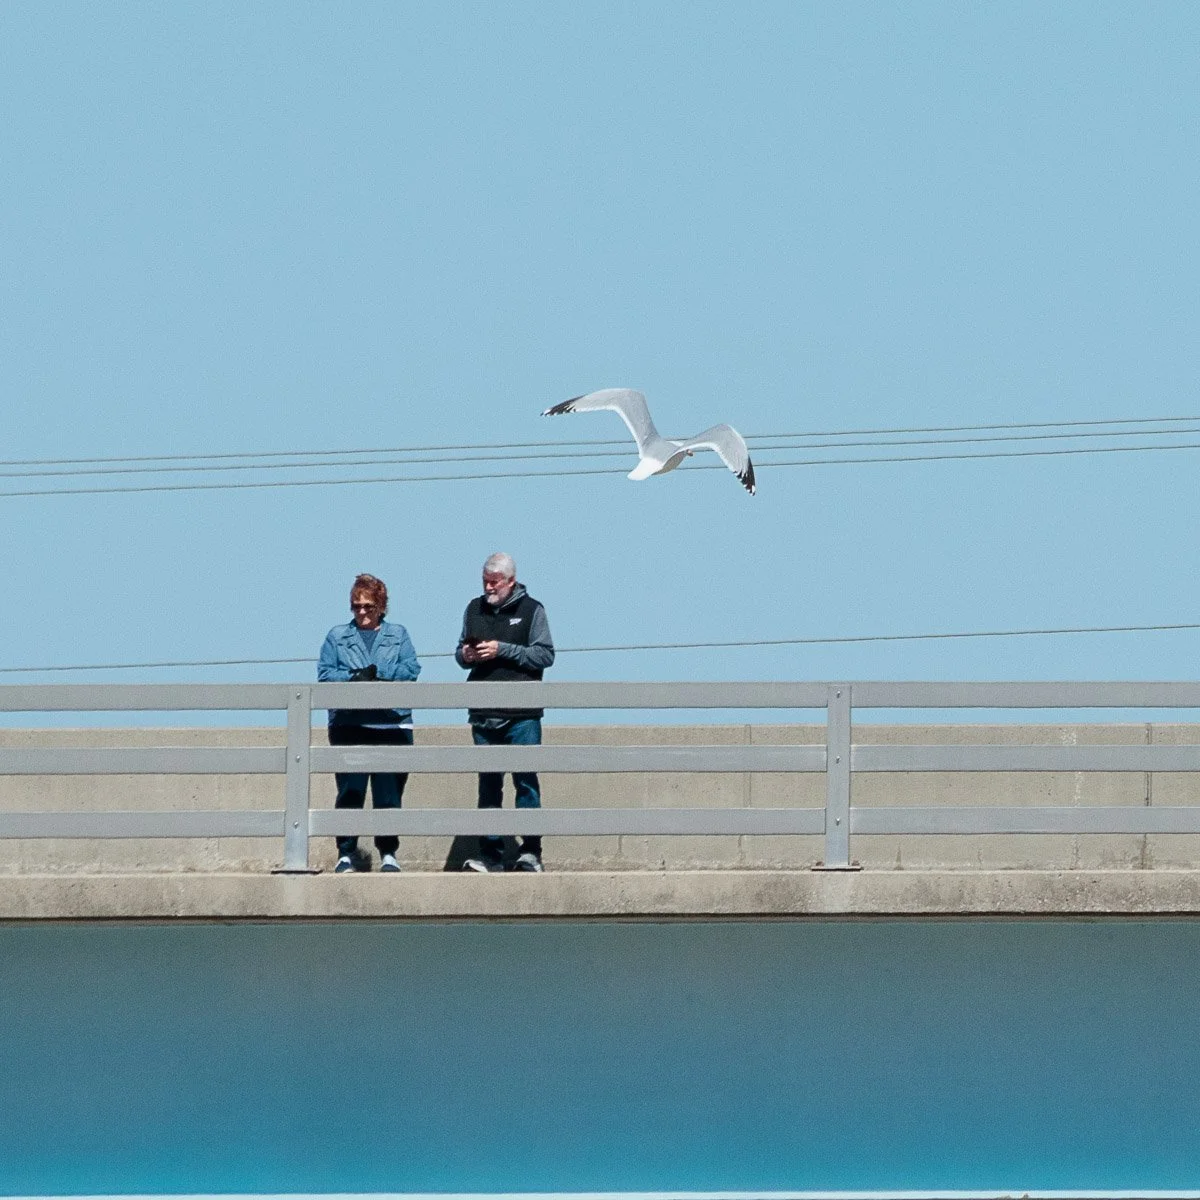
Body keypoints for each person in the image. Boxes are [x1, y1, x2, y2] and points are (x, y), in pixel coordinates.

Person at [455, 552, 554, 872]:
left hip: (522, 713)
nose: (488, 587)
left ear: (511, 581)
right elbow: (458, 653)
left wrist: (501, 649)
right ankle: (491, 854)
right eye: (485, 581)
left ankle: (531, 853)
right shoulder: (473, 608)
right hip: (484, 711)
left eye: (494, 582)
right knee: (488, 784)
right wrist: (468, 654)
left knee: (525, 781)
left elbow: (544, 655)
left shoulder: (532, 610)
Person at [318, 573, 420, 873]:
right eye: (356, 606)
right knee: (350, 791)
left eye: (368, 606)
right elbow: (325, 674)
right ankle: (345, 852)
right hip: (351, 725)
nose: (361, 612)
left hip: (390, 724)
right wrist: (353, 679)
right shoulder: (337, 637)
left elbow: (411, 668)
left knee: (389, 793)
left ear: (381, 607)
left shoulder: (398, 635)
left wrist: (381, 675)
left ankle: (388, 852)